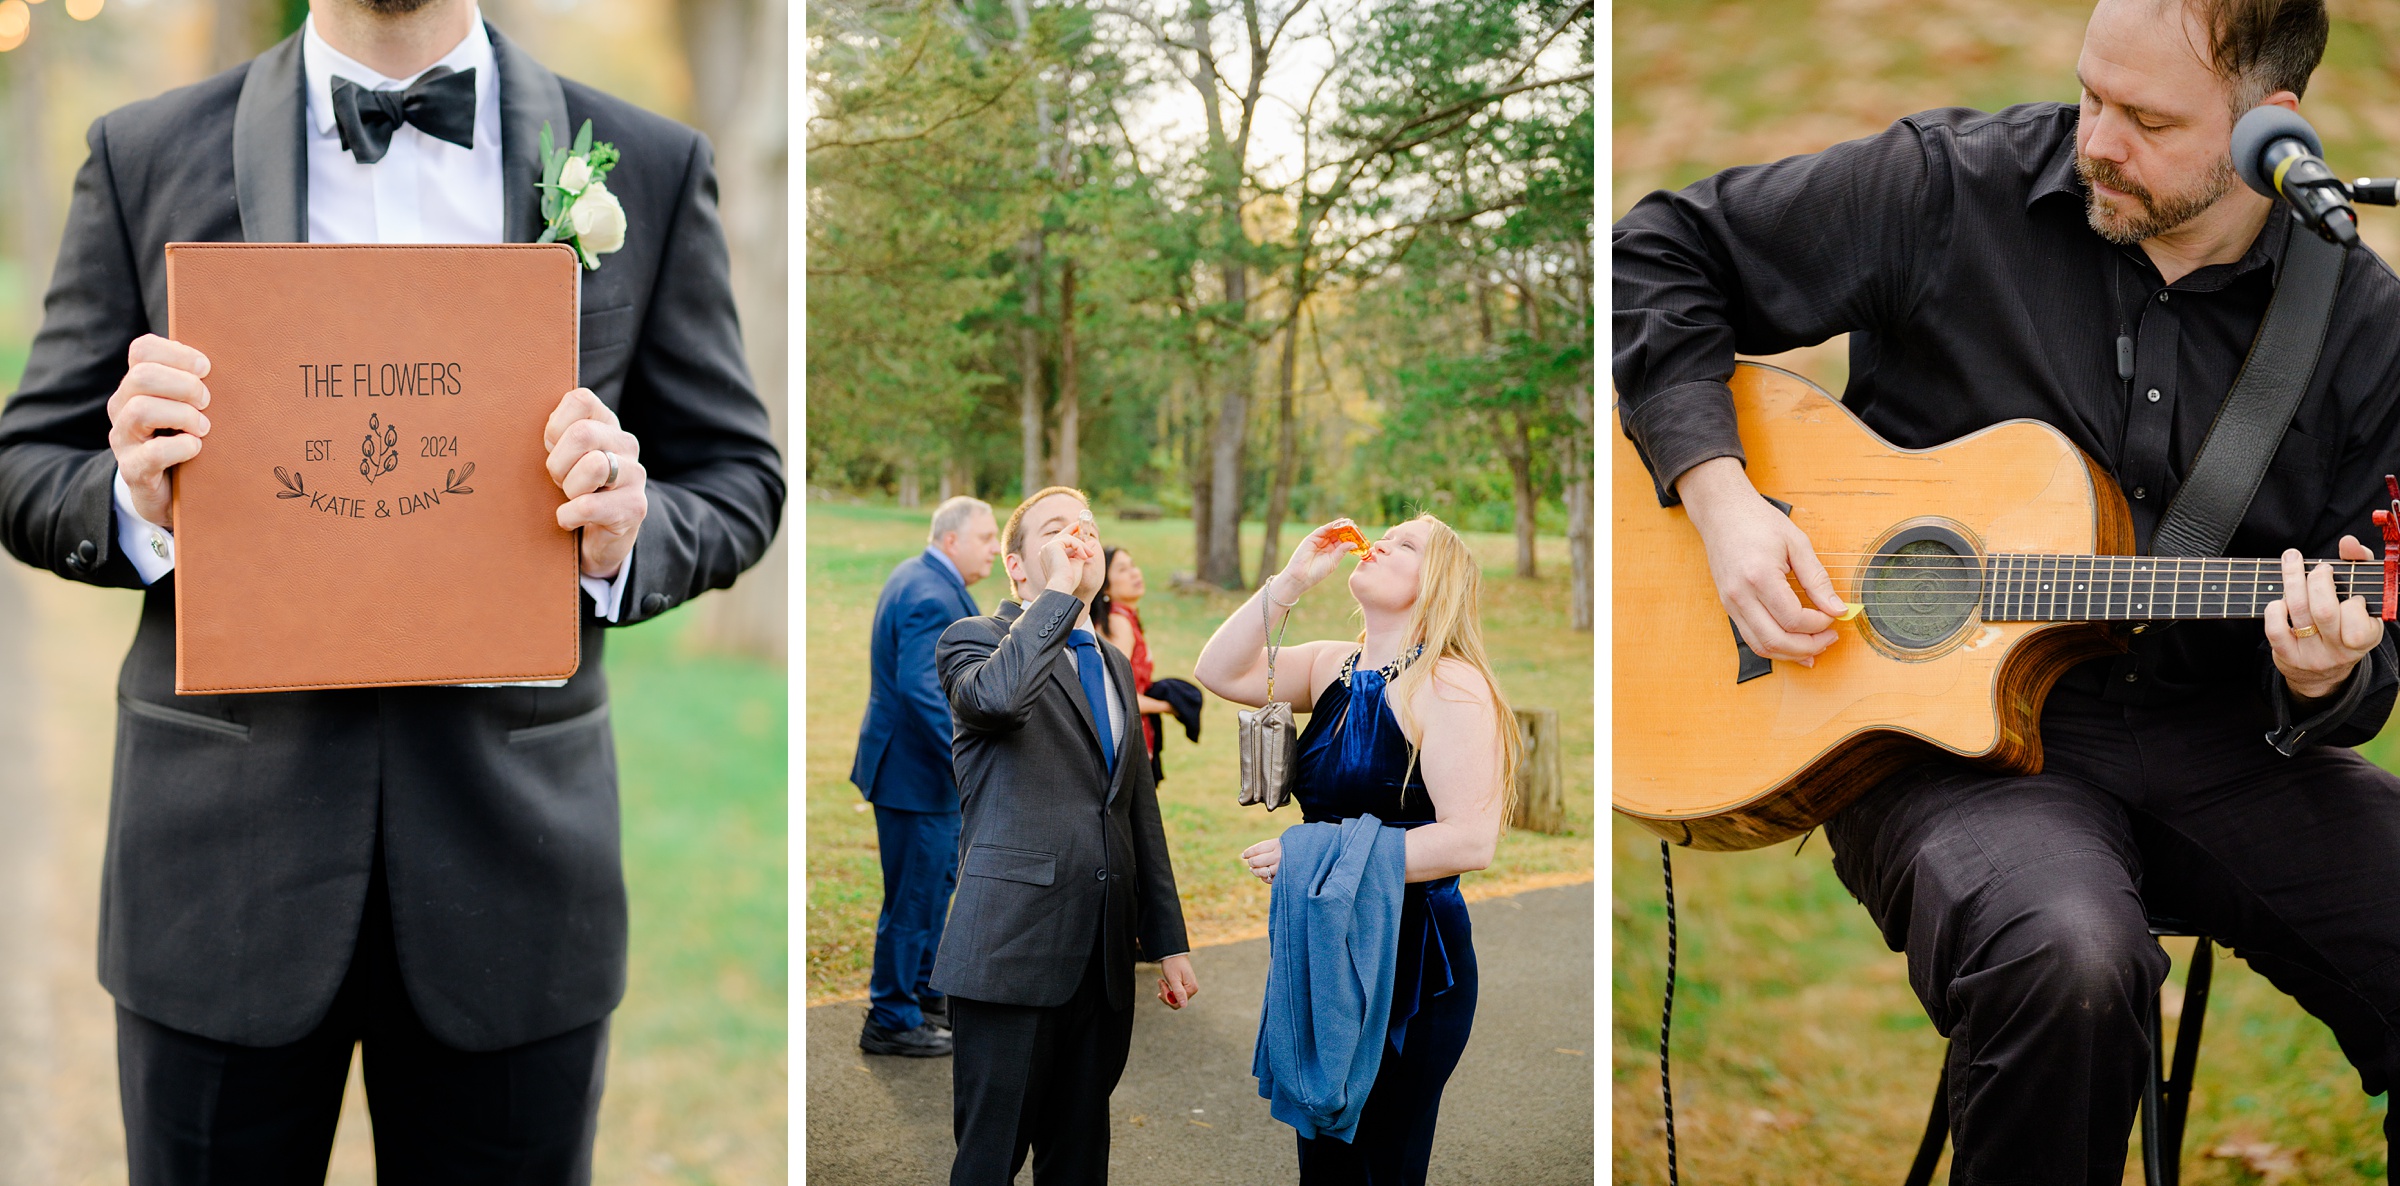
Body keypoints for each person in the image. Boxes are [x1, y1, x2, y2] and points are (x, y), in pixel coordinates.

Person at [1615, 0, 2400, 1176]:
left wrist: (2325, 668)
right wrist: (1723, 498)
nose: (2095, 140)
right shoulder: (1950, 191)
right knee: (2070, 960)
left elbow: (2364, 647)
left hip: (2218, 742)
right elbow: (1660, 249)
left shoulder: (2361, 327)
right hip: (1934, 753)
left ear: (2268, 129)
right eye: (2091, 93)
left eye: (2144, 119)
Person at [0, 0, 783, 1179]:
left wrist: (629, 528)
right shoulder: (143, 150)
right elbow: (26, 465)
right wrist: (134, 500)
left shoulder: (651, 162)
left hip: (517, 873)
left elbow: (738, 479)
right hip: (218, 879)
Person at [1194, 514, 1519, 1186]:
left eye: (1406, 545)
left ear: (1437, 585)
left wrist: (1316, 855)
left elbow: (1471, 840)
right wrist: (1290, 580)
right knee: (1324, 1163)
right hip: (1326, 942)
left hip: (1411, 960)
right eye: (1385, 535)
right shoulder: (1328, 664)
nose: (1379, 544)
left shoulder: (1450, 685)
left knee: (1379, 1166)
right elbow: (1218, 671)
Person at [933, 485, 1197, 1186]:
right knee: (988, 1163)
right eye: (1057, 530)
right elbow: (998, 701)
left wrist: (1166, 940)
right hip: (1010, 954)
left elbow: (1137, 809)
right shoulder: (972, 641)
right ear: (1018, 567)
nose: (1080, 538)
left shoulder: (1111, 664)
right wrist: (1056, 595)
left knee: (1079, 1164)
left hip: (1101, 960)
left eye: (1088, 527)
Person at [850, 495, 1001, 1058]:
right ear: (952, 539)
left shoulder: (922, 578)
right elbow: (922, 690)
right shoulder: (928, 593)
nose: (994, 548)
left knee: (930, 890)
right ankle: (890, 1017)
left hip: (916, 775)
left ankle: (918, 995)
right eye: (986, 538)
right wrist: (968, 760)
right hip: (915, 776)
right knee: (913, 900)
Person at [1092, 544, 1176, 779]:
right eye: (1122, 569)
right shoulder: (1118, 623)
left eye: (1133, 566)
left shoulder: (1123, 618)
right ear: (1105, 584)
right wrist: (1168, 706)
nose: (1134, 573)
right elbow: (1115, 694)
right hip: (1122, 739)